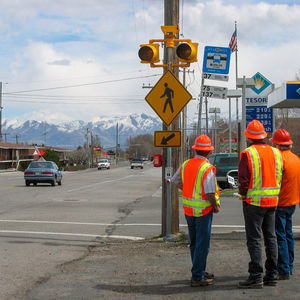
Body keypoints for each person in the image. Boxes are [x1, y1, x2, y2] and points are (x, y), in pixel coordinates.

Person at [238, 120, 283, 289]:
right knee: (271, 237)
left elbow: (243, 179)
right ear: (263, 136)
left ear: (249, 137)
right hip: (272, 201)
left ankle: (256, 276)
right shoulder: (276, 152)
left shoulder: (247, 154)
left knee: (255, 239)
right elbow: (280, 176)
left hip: (254, 202)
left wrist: (243, 194)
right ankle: (272, 274)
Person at [171, 134, 220, 287]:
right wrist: (216, 206)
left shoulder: (186, 164)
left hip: (189, 210)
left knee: (194, 243)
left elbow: (176, 181)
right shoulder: (207, 168)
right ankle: (197, 276)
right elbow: (210, 193)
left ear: (195, 150)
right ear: (209, 151)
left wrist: (187, 189)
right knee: (202, 244)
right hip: (203, 211)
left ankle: (198, 270)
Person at [270, 129, 300, 280]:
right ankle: (290, 265)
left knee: (279, 235)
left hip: (280, 202)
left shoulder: (278, 159)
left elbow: (276, 181)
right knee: (288, 235)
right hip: (292, 202)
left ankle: (284, 269)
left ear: (276, 143)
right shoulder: (295, 159)